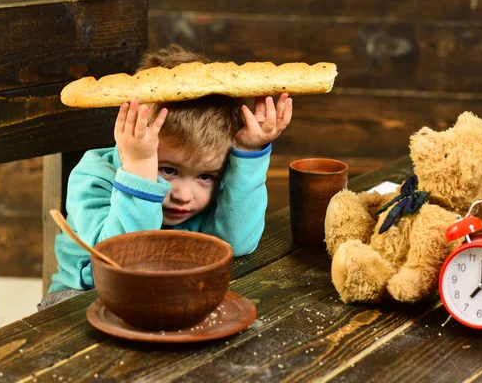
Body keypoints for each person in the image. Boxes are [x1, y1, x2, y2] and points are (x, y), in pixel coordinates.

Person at [38, 45, 293, 309]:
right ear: (134, 135)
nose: (183, 194)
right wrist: (141, 167)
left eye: (204, 176)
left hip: (168, 293)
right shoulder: (93, 177)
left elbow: (237, 244)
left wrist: (248, 153)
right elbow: (125, 258)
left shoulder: (223, 173)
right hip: (83, 297)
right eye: (168, 170)